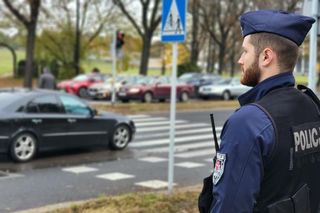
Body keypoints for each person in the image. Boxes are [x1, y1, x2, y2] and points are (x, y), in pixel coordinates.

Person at [199, 10, 320, 213]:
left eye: (245, 51)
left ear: (266, 56)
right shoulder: (312, 106)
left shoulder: (249, 122)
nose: (240, 60)